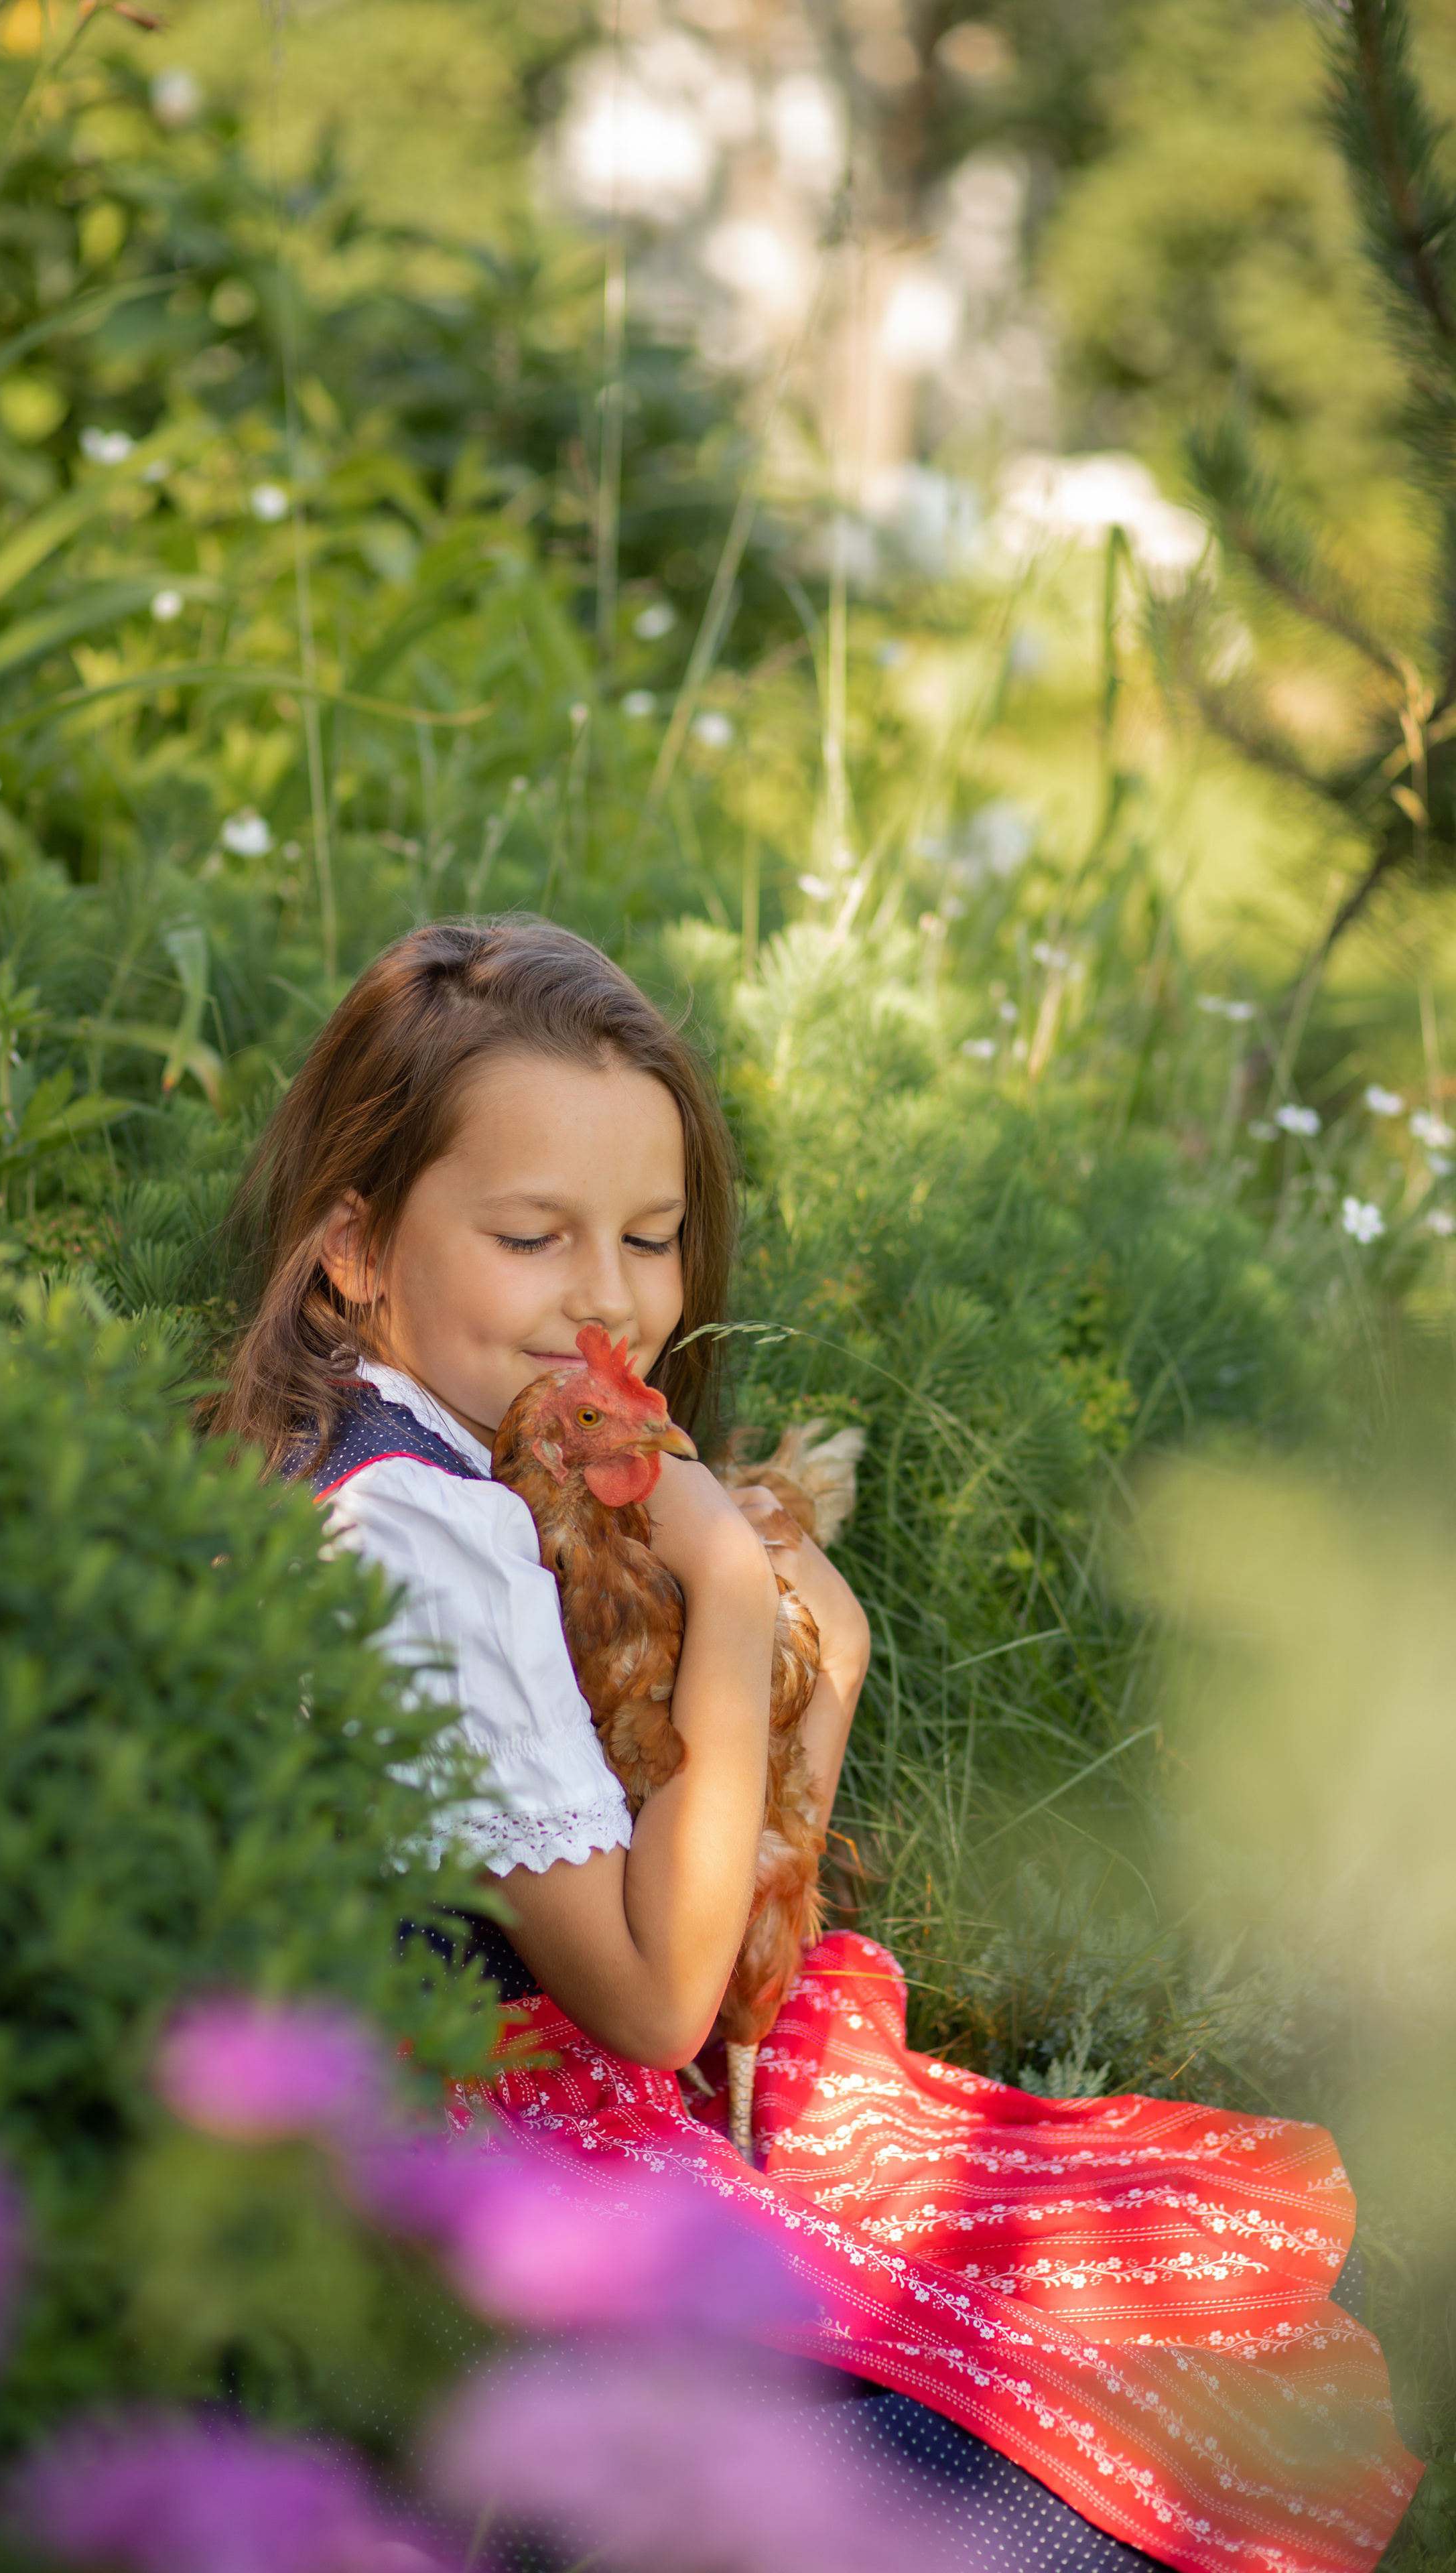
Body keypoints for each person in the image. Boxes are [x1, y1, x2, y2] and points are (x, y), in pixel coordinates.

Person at [213, 919, 1420, 2573]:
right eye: (528, 1236)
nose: (609, 1304)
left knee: (1126, 2336)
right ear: (353, 1246)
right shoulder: (418, 1538)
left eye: (650, 1237)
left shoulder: (436, 1465)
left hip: (533, 2126)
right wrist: (720, 1586)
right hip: (463, 2216)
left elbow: (725, 1953)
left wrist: (818, 1672)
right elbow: (654, 2001)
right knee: (1071, 2462)